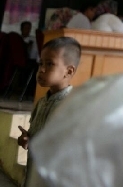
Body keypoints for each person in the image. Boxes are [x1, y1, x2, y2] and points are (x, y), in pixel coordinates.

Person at [17, 36, 80, 187]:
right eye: (41, 64)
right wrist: (27, 140)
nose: (42, 70)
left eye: (50, 64)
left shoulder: (72, 105)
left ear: (69, 71)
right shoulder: (42, 102)